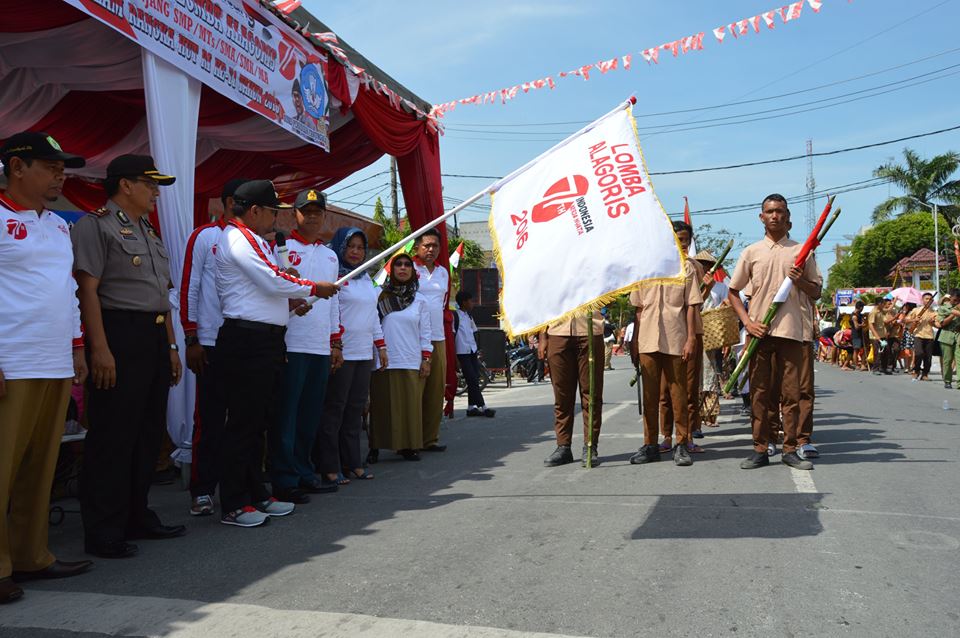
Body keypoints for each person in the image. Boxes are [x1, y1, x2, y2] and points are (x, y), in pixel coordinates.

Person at [72, 155, 185, 558]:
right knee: (113, 435)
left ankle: (137, 513)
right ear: (125, 185)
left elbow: (163, 297)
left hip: (153, 334)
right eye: (149, 184)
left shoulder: (148, 230)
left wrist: (171, 346)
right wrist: (99, 348)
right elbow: (88, 291)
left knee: (147, 432)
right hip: (118, 334)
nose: (155, 193)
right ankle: (104, 527)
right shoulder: (95, 225)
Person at [0, 132, 92, 603]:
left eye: (63, 167)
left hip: (53, 359)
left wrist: (78, 347)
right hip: (10, 361)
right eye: (50, 166)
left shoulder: (58, 226)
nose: (61, 174)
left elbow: (68, 291)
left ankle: (31, 555)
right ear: (17, 167)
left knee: (41, 467)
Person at [214, 180, 338, 527]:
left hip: (268, 340)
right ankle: (234, 503)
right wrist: (313, 288)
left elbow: (273, 285)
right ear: (255, 211)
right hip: (245, 340)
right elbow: (271, 280)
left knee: (258, 423)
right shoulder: (237, 239)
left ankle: (256, 493)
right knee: (242, 424)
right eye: (272, 212)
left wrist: (294, 298)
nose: (275, 219)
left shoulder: (258, 241)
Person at [728, 194, 822, 471]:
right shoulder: (751, 252)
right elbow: (734, 292)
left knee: (791, 394)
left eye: (779, 211)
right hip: (760, 332)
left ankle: (790, 448)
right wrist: (747, 322)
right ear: (761, 217)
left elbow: (816, 291)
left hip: (791, 332)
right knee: (759, 392)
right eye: (769, 211)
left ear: (787, 216)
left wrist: (800, 280)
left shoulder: (802, 251)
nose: (774, 216)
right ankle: (760, 447)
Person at [179, 178, 247, 517]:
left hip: (246, 343)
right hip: (211, 343)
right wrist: (191, 337)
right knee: (209, 419)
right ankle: (202, 489)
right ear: (230, 202)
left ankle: (237, 488)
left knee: (243, 419)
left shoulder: (256, 241)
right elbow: (189, 287)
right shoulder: (206, 236)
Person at [272, 189, 343, 499]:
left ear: (324, 216)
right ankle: (284, 478)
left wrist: (336, 341)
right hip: (291, 342)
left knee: (309, 415)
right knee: (286, 413)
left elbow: (334, 302)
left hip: (318, 345)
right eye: (306, 211)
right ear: (294, 215)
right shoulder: (281, 249)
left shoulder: (330, 255)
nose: (312, 216)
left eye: (317, 211)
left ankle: (303, 470)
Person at [319, 228, 385, 481]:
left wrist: (381, 347)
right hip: (342, 352)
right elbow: (331, 313)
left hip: (364, 352)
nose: (356, 252)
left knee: (356, 410)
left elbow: (373, 316)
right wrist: (336, 346)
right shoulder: (335, 279)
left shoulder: (366, 278)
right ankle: (329, 466)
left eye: (360, 247)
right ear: (340, 248)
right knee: (335, 409)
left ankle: (353, 462)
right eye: (351, 247)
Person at [628, 252, 703, 467]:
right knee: (650, 396)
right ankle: (650, 444)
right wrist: (635, 342)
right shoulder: (643, 269)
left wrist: (690, 338)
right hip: (648, 339)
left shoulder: (685, 268)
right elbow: (639, 310)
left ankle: (681, 443)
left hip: (676, 338)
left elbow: (691, 306)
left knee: (679, 393)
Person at [370, 253, 433, 461]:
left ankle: (408, 446)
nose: (403, 268)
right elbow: (372, 325)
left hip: (410, 358)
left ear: (413, 271)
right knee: (381, 405)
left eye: (407, 265)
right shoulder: (379, 296)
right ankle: (376, 447)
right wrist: (379, 350)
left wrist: (426, 358)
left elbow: (426, 333)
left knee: (409, 406)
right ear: (392, 269)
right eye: (398, 265)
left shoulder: (420, 300)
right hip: (383, 358)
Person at [659, 221, 710, 452]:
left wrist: (705, 284)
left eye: (686, 241)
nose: (682, 244)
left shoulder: (693, 266)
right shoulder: (658, 266)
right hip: (664, 334)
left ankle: (687, 436)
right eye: (678, 240)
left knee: (689, 388)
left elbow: (696, 300)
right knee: (664, 390)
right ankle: (666, 437)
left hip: (691, 334)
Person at [413, 228, 449, 453]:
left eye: (435, 245)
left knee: (436, 390)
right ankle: (411, 440)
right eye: (426, 245)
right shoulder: (407, 267)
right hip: (412, 338)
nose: (430, 249)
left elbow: (444, 303)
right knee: (414, 390)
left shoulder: (443, 272)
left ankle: (430, 439)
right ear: (417, 246)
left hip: (438, 337)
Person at [454, 290, 495, 417]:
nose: (473, 303)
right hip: (461, 352)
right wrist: (454, 356)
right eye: (470, 301)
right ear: (463, 302)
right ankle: (483, 407)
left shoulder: (469, 316)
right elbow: (452, 335)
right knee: (471, 379)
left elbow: (474, 332)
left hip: (471, 351)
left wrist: (477, 348)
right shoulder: (455, 316)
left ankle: (471, 407)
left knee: (475, 378)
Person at [935, 289, 960, 389]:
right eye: (954, 300)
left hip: (958, 336)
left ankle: (959, 382)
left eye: (958, 300)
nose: (956, 302)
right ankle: (947, 380)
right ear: (950, 298)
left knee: (959, 360)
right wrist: (953, 313)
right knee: (947, 360)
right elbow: (942, 323)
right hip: (946, 336)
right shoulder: (943, 308)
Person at [908, 293, 936, 381]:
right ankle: (916, 371)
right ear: (922, 300)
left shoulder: (934, 312)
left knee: (928, 357)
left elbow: (937, 324)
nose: (928, 301)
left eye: (930, 299)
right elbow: (905, 319)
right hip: (918, 335)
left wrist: (933, 322)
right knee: (919, 353)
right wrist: (914, 320)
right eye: (926, 299)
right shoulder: (916, 310)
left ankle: (925, 374)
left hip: (929, 336)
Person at [868, 298, 892, 375]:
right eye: (883, 304)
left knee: (886, 351)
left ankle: (883, 368)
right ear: (879, 304)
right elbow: (871, 325)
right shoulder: (873, 312)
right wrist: (877, 337)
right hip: (875, 336)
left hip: (882, 335)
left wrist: (895, 300)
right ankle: (875, 369)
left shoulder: (881, 311)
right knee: (877, 352)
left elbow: (888, 309)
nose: (884, 305)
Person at [851, 301, 868, 371]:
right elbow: (856, 327)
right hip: (856, 335)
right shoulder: (854, 316)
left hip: (861, 335)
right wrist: (862, 325)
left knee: (865, 349)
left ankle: (863, 364)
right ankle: (856, 365)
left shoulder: (860, 315)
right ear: (860, 307)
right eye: (862, 308)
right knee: (856, 350)